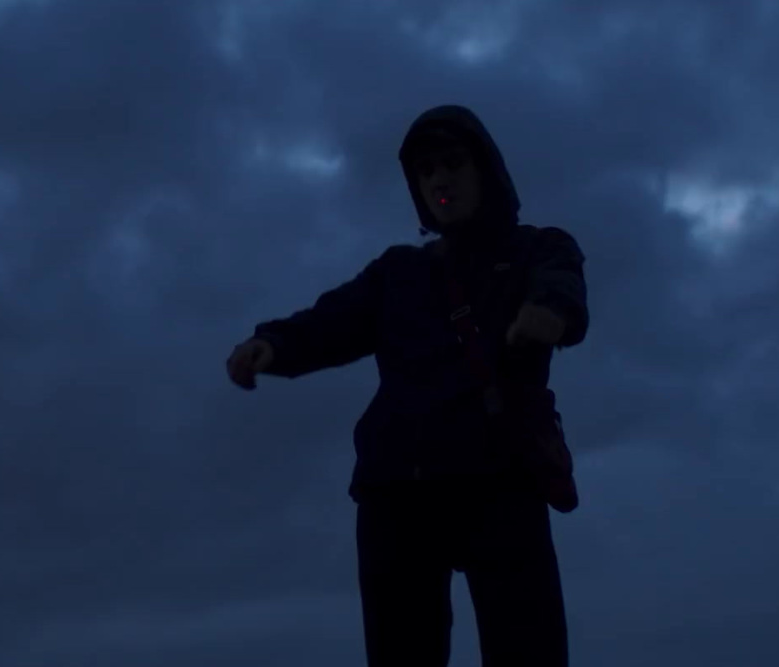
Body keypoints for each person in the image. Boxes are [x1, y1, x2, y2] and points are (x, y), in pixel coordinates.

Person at [225, 104, 589, 667]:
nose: (439, 179)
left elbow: (561, 284)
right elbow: (331, 322)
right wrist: (270, 345)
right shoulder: (398, 272)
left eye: (452, 163)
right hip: (398, 492)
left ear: (485, 170)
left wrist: (550, 313)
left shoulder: (536, 249)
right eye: (426, 172)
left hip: (501, 479)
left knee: (529, 651)